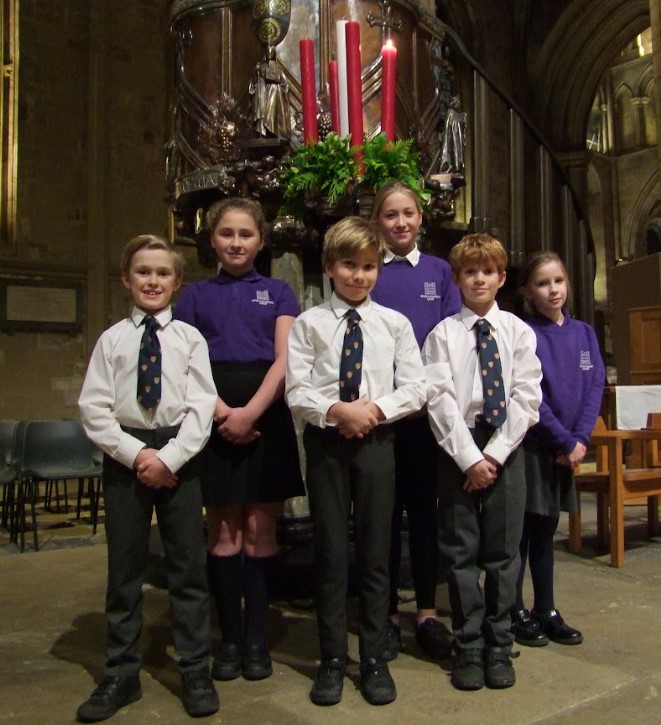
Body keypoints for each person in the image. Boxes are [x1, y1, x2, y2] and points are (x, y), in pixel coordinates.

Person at [77, 235, 219, 722]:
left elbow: (202, 407)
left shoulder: (190, 340)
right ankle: (121, 671)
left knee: (187, 568)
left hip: (180, 459)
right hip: (126, 459)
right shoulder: (112, 339)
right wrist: (138, 455)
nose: (152, 281)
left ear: (177, 282)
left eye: (162, 273)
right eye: (143, 272)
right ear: (126, 279)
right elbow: (93, 408)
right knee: (125, 571)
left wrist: (170, 458)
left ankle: (195, 668)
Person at [286, 216, 426, 707]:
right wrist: (336, 411)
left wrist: (373, 410)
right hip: (326, 444)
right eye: (349, 265)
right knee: (329, 551)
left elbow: (416, 385)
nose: (359, 276)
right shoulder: (310, 324)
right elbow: (296, 389)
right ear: (329, 267)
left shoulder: (394, 324)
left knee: (374, 551)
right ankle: (330, 659)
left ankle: (372, 658)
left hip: (377, 444)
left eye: (368, 267)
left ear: (378, 271)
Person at [173, 197, 304, 684]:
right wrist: (221, 411)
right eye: (226, 233)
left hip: (265, 413)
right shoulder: (193, 296)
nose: (235, 242)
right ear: (212, 240)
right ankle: (228, 640)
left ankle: (256, 640)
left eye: (245, 234)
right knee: (224, 531)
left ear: (261, 241)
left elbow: (284, 361)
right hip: (212, 413)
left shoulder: (278, 292)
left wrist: (251, 412)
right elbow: (185, 362)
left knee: (259, 529)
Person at [423, 233, 542, 692]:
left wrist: (492, 454)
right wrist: (470, 457)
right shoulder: (442, 335)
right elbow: (440, 400)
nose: (479, 279)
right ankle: (468, 644)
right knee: (460, 551)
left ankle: (499, 641)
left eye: (487, 271)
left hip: (506, 446)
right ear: (456, 279)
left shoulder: (517, 331)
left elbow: (527, 397)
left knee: (503, 551)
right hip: (459, 447)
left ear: (502, 278)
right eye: (470, 272)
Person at [370, 181, 461, 661]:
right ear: (378, 221)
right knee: (382, 516)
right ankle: (384, 616)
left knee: (425, 517)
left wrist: (427, 396)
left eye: (408, 213)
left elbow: (447, 341)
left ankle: (426, 613)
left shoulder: (440, 271)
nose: (400, 222)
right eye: (390, 215)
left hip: (425, 415)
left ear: (421, 217)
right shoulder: (369, 270)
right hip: (381, 414)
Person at [512, 251, 605, 647]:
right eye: (543, 283)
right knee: (521, 532)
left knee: (547, 530)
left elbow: (595, 384)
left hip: (569, 449)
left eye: (559, 281)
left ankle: (546, 608)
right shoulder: (524, 333)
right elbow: (531, 398)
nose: (553, 290)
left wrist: (581, 439)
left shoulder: (583, 333)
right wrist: (565, 441)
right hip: (536, 447)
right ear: (528, 291)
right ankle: (513, 608)